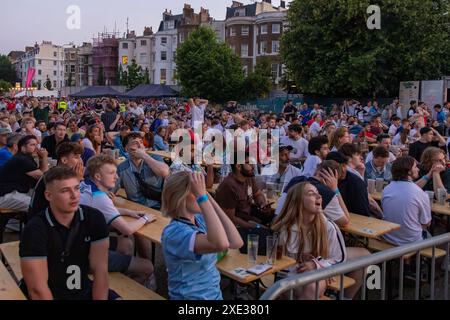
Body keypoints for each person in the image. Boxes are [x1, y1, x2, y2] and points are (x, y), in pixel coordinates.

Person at [19, 167, 119, 300]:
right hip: (49, 291)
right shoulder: (35, 229)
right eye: (65, 190)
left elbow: (100, 270)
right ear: (49, 196)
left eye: (77, 188)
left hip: (78, 286)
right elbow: (38, 289)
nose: (74, 195)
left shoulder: (94, 218)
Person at [161, 172, 243, 300]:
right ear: (180, 196)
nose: (201, 194)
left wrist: (207, 197)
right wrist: (202, 197)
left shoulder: (200, 220)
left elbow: (236, 241)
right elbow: (221, 244)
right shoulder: (174, 233)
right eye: (195, 192)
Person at [272, 182, 361, 299]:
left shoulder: (328, 226)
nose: (319, 196)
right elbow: (279, 265)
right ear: (298, 201)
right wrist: (300, 265)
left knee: (312, 286)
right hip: (288, 276)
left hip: (319, 275)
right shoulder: (285, 229)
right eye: (311, 194)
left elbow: (339, 259)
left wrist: (316, 264)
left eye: (318, 194)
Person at [80, 155, 155, 286]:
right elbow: (127, 229)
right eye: (111, 173)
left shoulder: (85, 184)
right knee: (148, 266)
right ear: (98, 176)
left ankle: (121, 272)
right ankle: (127, 290)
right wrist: (146, 218)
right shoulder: (100, 198)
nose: (116, 177)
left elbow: (105, 209)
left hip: (82, 242)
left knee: (126, 244)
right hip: (86, 255)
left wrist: (130, 212)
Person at [276, 160, 350, 226]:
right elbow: (345, 221)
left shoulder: (295, 180)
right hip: (299, 236)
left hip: (278, 229)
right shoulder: (326, 193)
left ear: (316, 171)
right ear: (333, 179)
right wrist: (335, 189)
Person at [382, 156, 431, 246]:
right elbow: (426, 223)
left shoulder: (387, 188)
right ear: (408, 171)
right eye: (416, 167)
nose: (418, 169)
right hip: (411, 242)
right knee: (439, 244)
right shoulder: (420, 192)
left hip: (388, 237)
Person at [29, 142, 85, 218]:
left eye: (80, 157)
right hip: (44, 221)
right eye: (76, 157)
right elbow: (66, 202)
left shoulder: (61, 174)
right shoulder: (54, 177)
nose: (80, 161)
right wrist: (77, 181)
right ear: (64, 160)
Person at [215, 155, 272, 229]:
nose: (253, 167)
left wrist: (262, 204)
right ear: (238, 166)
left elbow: (258, 194)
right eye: (249, 163)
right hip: (234, 227)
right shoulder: (228, 186)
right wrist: (255, 227)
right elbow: (230, 219)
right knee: (268, 232)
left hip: (248, 218)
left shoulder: (248, 177)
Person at [117, 132, 170, 209]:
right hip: (135, 208)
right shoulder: (122, 168)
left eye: (141, 142)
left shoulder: (154, 159)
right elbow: (111, 190)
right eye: (135, 143)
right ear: (126, 148)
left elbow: (165, 172)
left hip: (157, 207)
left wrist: (144, 156)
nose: (139, 145)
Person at [0, 135, 48, 211]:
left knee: (43, 200)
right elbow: (44, 177)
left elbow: (41, 175)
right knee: (39, 206)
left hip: (14, 192)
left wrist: (41, 159)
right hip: (6, 195)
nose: (36, 148)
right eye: (32, 145)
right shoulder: (22, 160)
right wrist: (45, 157)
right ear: (23, 147)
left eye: (36, 145)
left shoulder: (25, 157)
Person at [326, 151, 373, 217]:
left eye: (344, 166)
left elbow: (363, 213)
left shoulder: (356, 183)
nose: (343, 170)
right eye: (339, 167)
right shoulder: (325, 179)